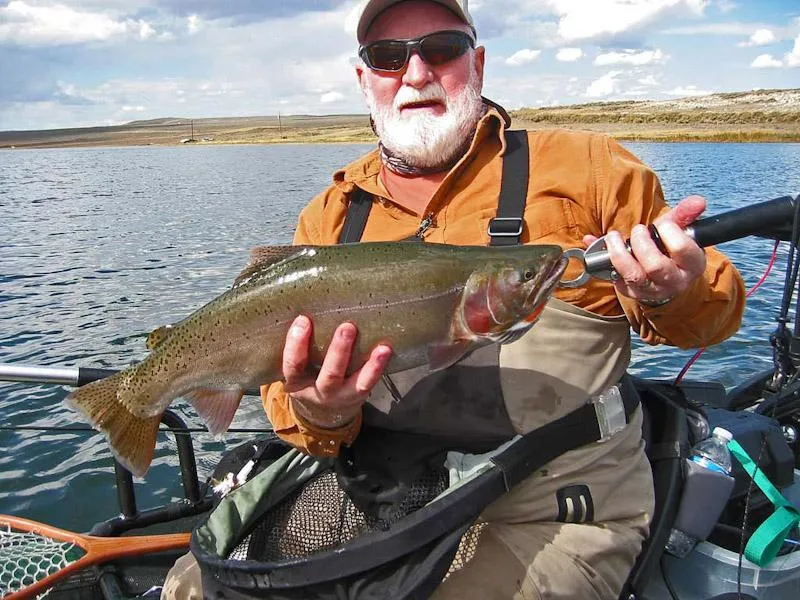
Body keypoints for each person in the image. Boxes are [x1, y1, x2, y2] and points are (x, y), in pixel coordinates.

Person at [162, 1, 745, 598]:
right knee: (192, 587)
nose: (416, 73)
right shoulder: (330, 217)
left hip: (554, 505)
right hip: (389, 494)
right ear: (364, 80)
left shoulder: (589, 168)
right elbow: (305, 429)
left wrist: (675, 290)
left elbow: (712, 322)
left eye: (441, 49)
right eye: (388, 57)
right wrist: (323, 410)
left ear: (478, 62)